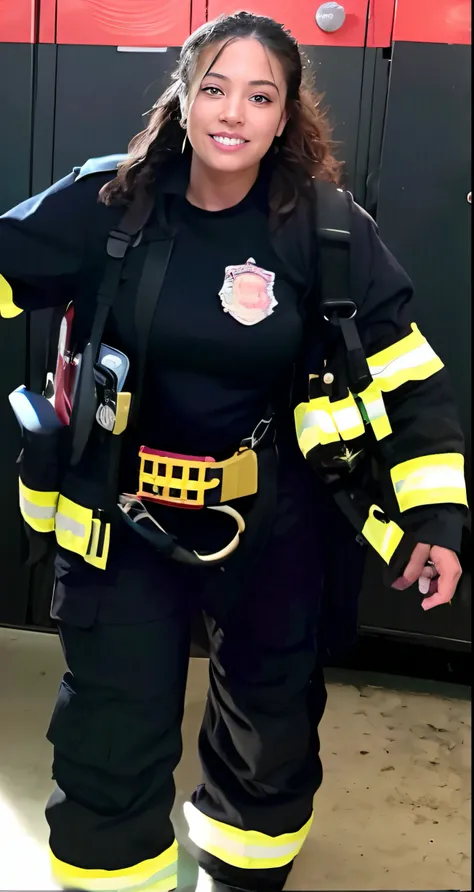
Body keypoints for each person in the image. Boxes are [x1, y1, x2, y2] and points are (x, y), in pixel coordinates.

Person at [0, 11, 468, 892]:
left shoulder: (328, 232)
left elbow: (411, 385)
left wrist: (437, 519)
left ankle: (242, 875)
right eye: (213, 87)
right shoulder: (111, 203)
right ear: (181, 95)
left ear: (287, 114)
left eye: (260, 95)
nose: (232, 112)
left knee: (272, 730)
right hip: (125, 524)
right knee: (110, 732)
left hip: (276, 527)